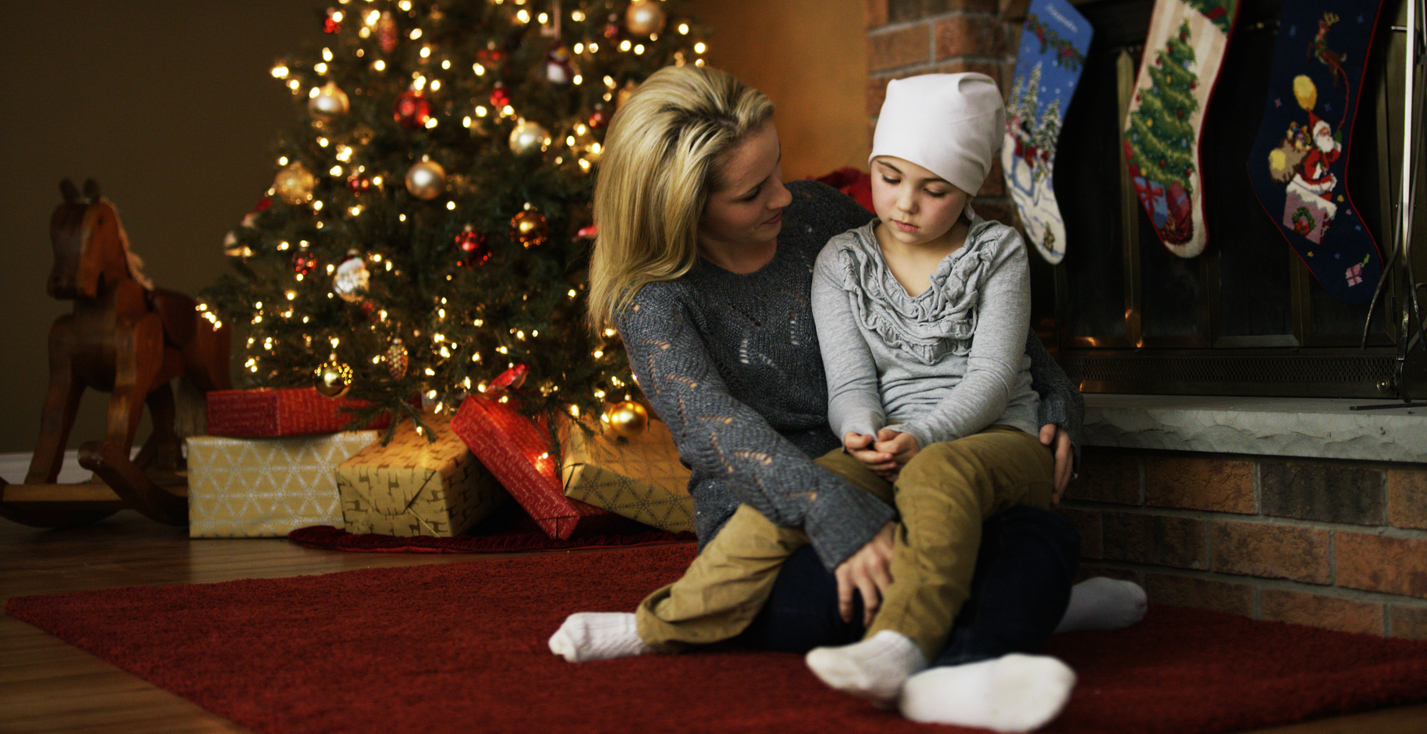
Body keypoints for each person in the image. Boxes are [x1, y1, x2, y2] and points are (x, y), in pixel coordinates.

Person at [548, 65, 1145, 732]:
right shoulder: (655, 303)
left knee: (1039, 533)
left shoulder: (817, 215)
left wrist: (1057, 398)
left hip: (903, 466)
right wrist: (839, 517)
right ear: (683, 208)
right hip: (775, 519)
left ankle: (972, 653)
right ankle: (986, 650)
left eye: (778, 168)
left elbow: (955, 298)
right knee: (888, 586)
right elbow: (712, 432)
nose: (783, 197)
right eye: (752, 194)